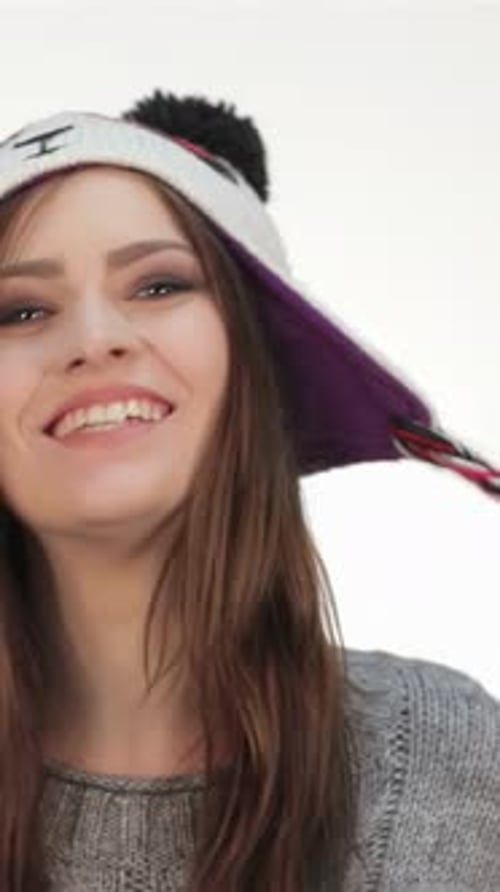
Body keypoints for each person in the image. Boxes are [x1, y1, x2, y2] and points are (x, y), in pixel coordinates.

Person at [0, 90, 497, 892]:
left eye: (159, 286)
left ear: (257, 365)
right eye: (20, 308)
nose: (94, 340)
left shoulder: (455, 759)